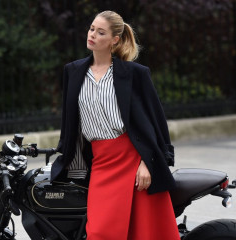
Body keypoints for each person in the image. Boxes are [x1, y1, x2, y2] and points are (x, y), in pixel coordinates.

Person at [51, 10, 180, 240]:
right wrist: (68, 158)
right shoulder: (73, 71)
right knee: (100, 232)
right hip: (101, 163)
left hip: (133, 160)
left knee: (144, 232)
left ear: (115, 40)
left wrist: (147, 162)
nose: (92, 35)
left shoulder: (135, 73)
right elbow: (71, 123)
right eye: (92, 29)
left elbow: (156, 121)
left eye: (100, 32)